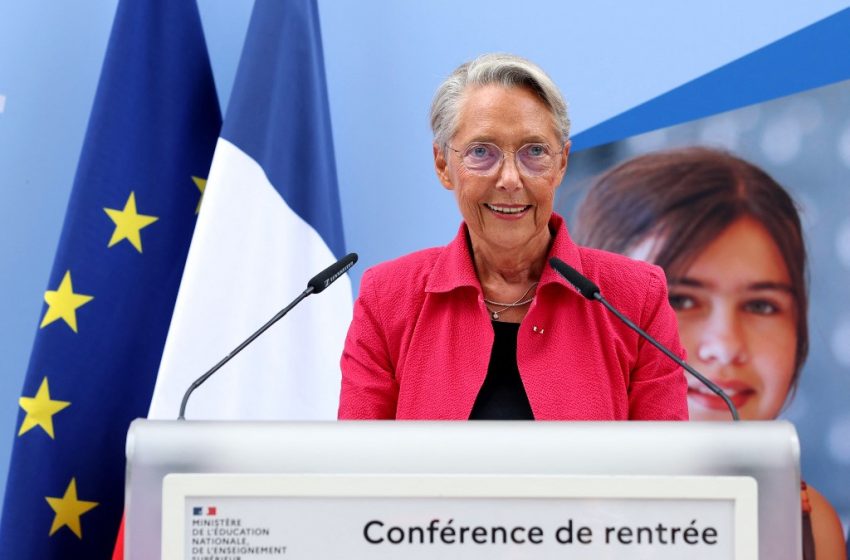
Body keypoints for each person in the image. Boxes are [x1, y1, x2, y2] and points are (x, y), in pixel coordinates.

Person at [338, 53, 688, 421]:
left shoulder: (636, 299)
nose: (509, 179)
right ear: (443, 165)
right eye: (481, 152)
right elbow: (357, 455)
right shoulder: (387, 298)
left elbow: (667, 455)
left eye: (534, 151)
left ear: (561, 163)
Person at [574, 146, 847, 560]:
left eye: (761, 306)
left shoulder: (805, 526)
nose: (726, 346)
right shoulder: (513, 505)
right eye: (680, 300)